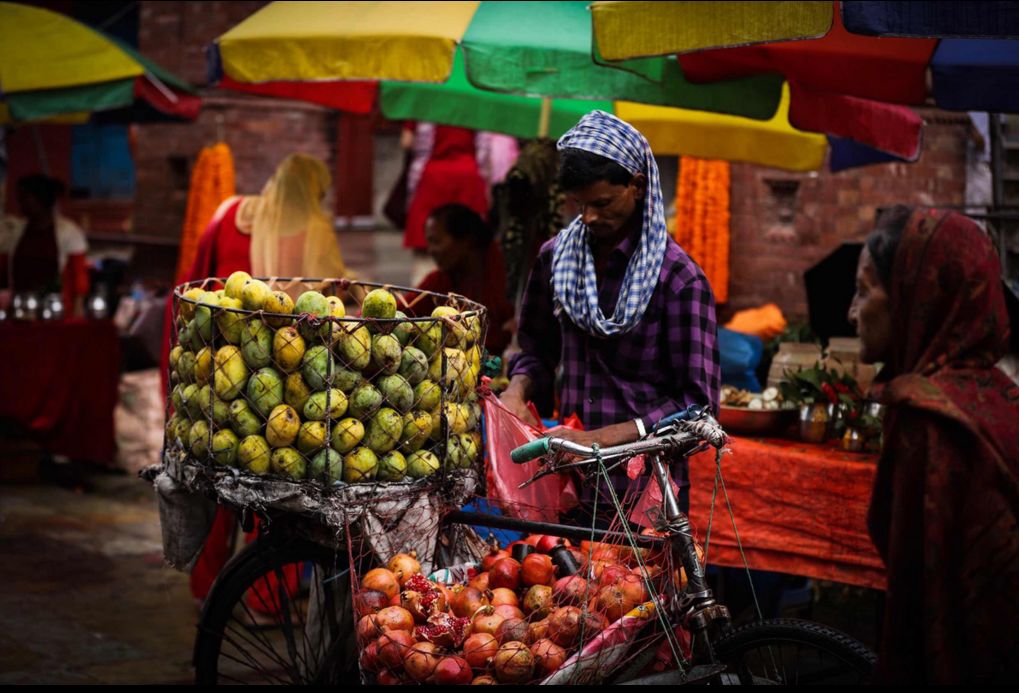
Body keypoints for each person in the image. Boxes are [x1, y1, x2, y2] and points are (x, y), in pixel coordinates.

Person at [500, 110, 720, 512]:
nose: (589, 218)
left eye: (601, 203)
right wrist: (516, 391)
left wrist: (603, 438)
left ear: (637, 186)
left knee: (637, 580)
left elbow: (698, 407)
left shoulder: (678, 280)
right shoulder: (554, 259)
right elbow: (536, 352)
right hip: (565, 484)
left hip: (645, 494)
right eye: (579, 204)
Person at [165, 153, 349, 605]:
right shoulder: (316, 231)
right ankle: (265, 599)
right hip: (284, 380)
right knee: (277, 486)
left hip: (215, 365)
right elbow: (329, 299)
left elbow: (194, 286)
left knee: (217, 473)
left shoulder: (228, 214)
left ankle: (206, 587)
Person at [847, 205, 1019, 684]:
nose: (852, 313)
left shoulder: (928, 420)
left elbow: (920, 609)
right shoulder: (998, 395)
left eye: (864, 291)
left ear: (912, 298)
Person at [416, 203, 515, 355]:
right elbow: (406, 308)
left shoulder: (503, 270)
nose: (431, 251)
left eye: (436, 242)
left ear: (465, 240)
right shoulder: (439, 280)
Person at [403, 125, 489, 285]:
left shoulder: (426, 102)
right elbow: (484, 148)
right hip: (468, 178)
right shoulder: (476, 103)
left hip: (433, 179)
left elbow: (407, 141)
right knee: (472, 251)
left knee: (425, 259)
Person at [0, 174, 90, 316]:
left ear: (40, 201)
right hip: (21, 309)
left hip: (56, 310)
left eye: (25, 198)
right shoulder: (14, 231)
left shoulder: (68, 232)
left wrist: (77, 312)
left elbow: (79, 276)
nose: (20, 204)